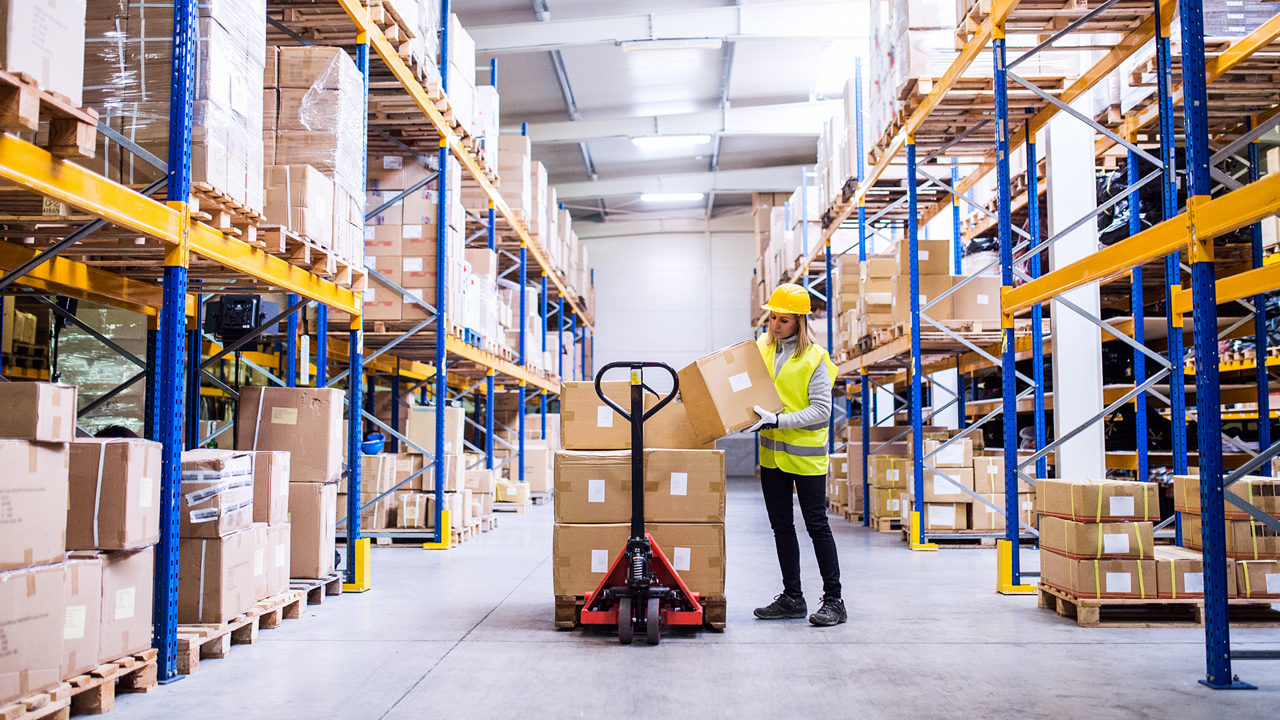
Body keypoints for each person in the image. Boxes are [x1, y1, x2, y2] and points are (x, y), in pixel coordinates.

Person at [745, 283, 845, 627]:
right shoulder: (762, 349)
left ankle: (834, 601)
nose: (775, 325)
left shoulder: (815, 358)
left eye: (783, 320)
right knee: (782, 527)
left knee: (817, 526)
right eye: (772, 318)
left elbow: (821, 410)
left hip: (805, 458)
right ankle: (792, 598)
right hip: (772, 457)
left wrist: (778, 420)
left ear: (799, 322)